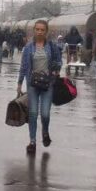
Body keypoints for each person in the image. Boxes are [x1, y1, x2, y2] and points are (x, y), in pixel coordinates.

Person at [17, 19, 62, 155]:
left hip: (47, 84)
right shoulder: (28, 48)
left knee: (45, 114)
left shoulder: (52, 46)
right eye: (37, 29)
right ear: (34, 30)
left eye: (42, 29)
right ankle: (32, 142)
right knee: (32, 113)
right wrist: (19, 83)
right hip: (32, 84)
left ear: (46, 31)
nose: (40, 32)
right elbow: (24, 66)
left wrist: (55, 69)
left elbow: (59, 60)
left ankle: (45, 131)